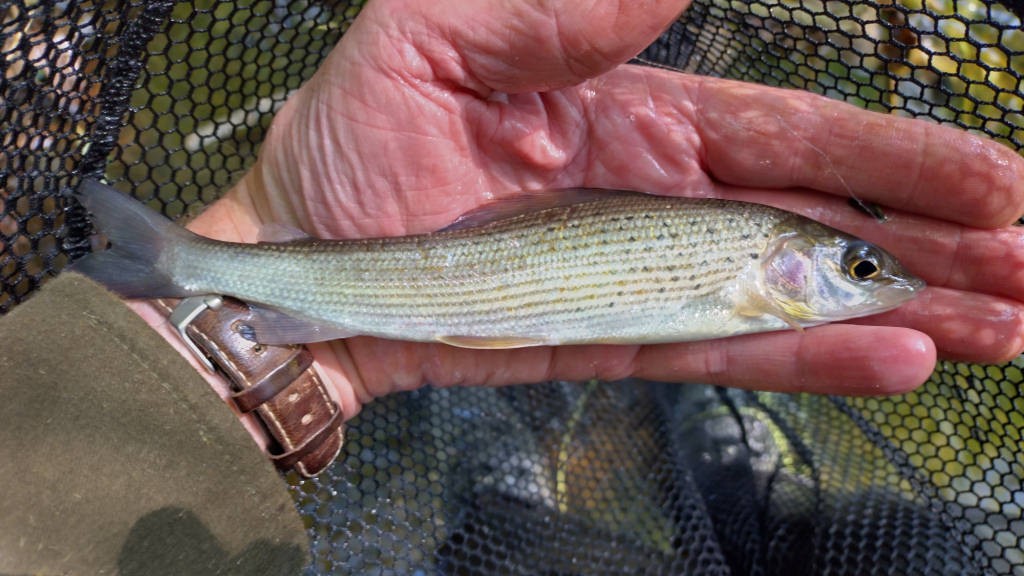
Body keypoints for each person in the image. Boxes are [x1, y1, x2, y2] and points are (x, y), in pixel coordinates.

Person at [2, 0, 1023, 574]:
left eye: (863, 271)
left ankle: (187, 269)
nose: (870, 283)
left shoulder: (752, 268)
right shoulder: (747, 261)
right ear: (791, 260)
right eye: (856, 268)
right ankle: (185, 263)